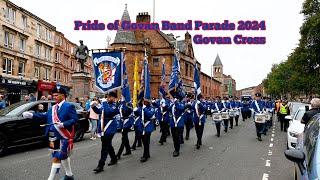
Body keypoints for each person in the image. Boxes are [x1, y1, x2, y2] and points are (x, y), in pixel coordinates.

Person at [22, 86, 78, 180]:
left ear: (63, 96)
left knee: (58, 156)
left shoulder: (69, 106)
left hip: (64, 136)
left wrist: (63, 124)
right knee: (62, 156)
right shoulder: (53, 108)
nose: (54, 97)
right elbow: (44, 116)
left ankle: (50, 178)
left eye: (56, 95)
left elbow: (74, 119)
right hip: (53, 136)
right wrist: (32, 115)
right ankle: (69, 175)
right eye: (53, 95)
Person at [92, 92, 119, 173]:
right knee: (108, 145)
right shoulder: (105, 105)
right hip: (103, 128)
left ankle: (100, 165)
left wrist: (103, 102)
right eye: (108, 97)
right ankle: (114, 159)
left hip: (110, 128)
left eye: (110, 97)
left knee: (104, 147)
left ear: (114, 98)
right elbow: (99, 111)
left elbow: (108, 112)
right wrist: (93, 107)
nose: (108, 98)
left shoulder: (115, 106)